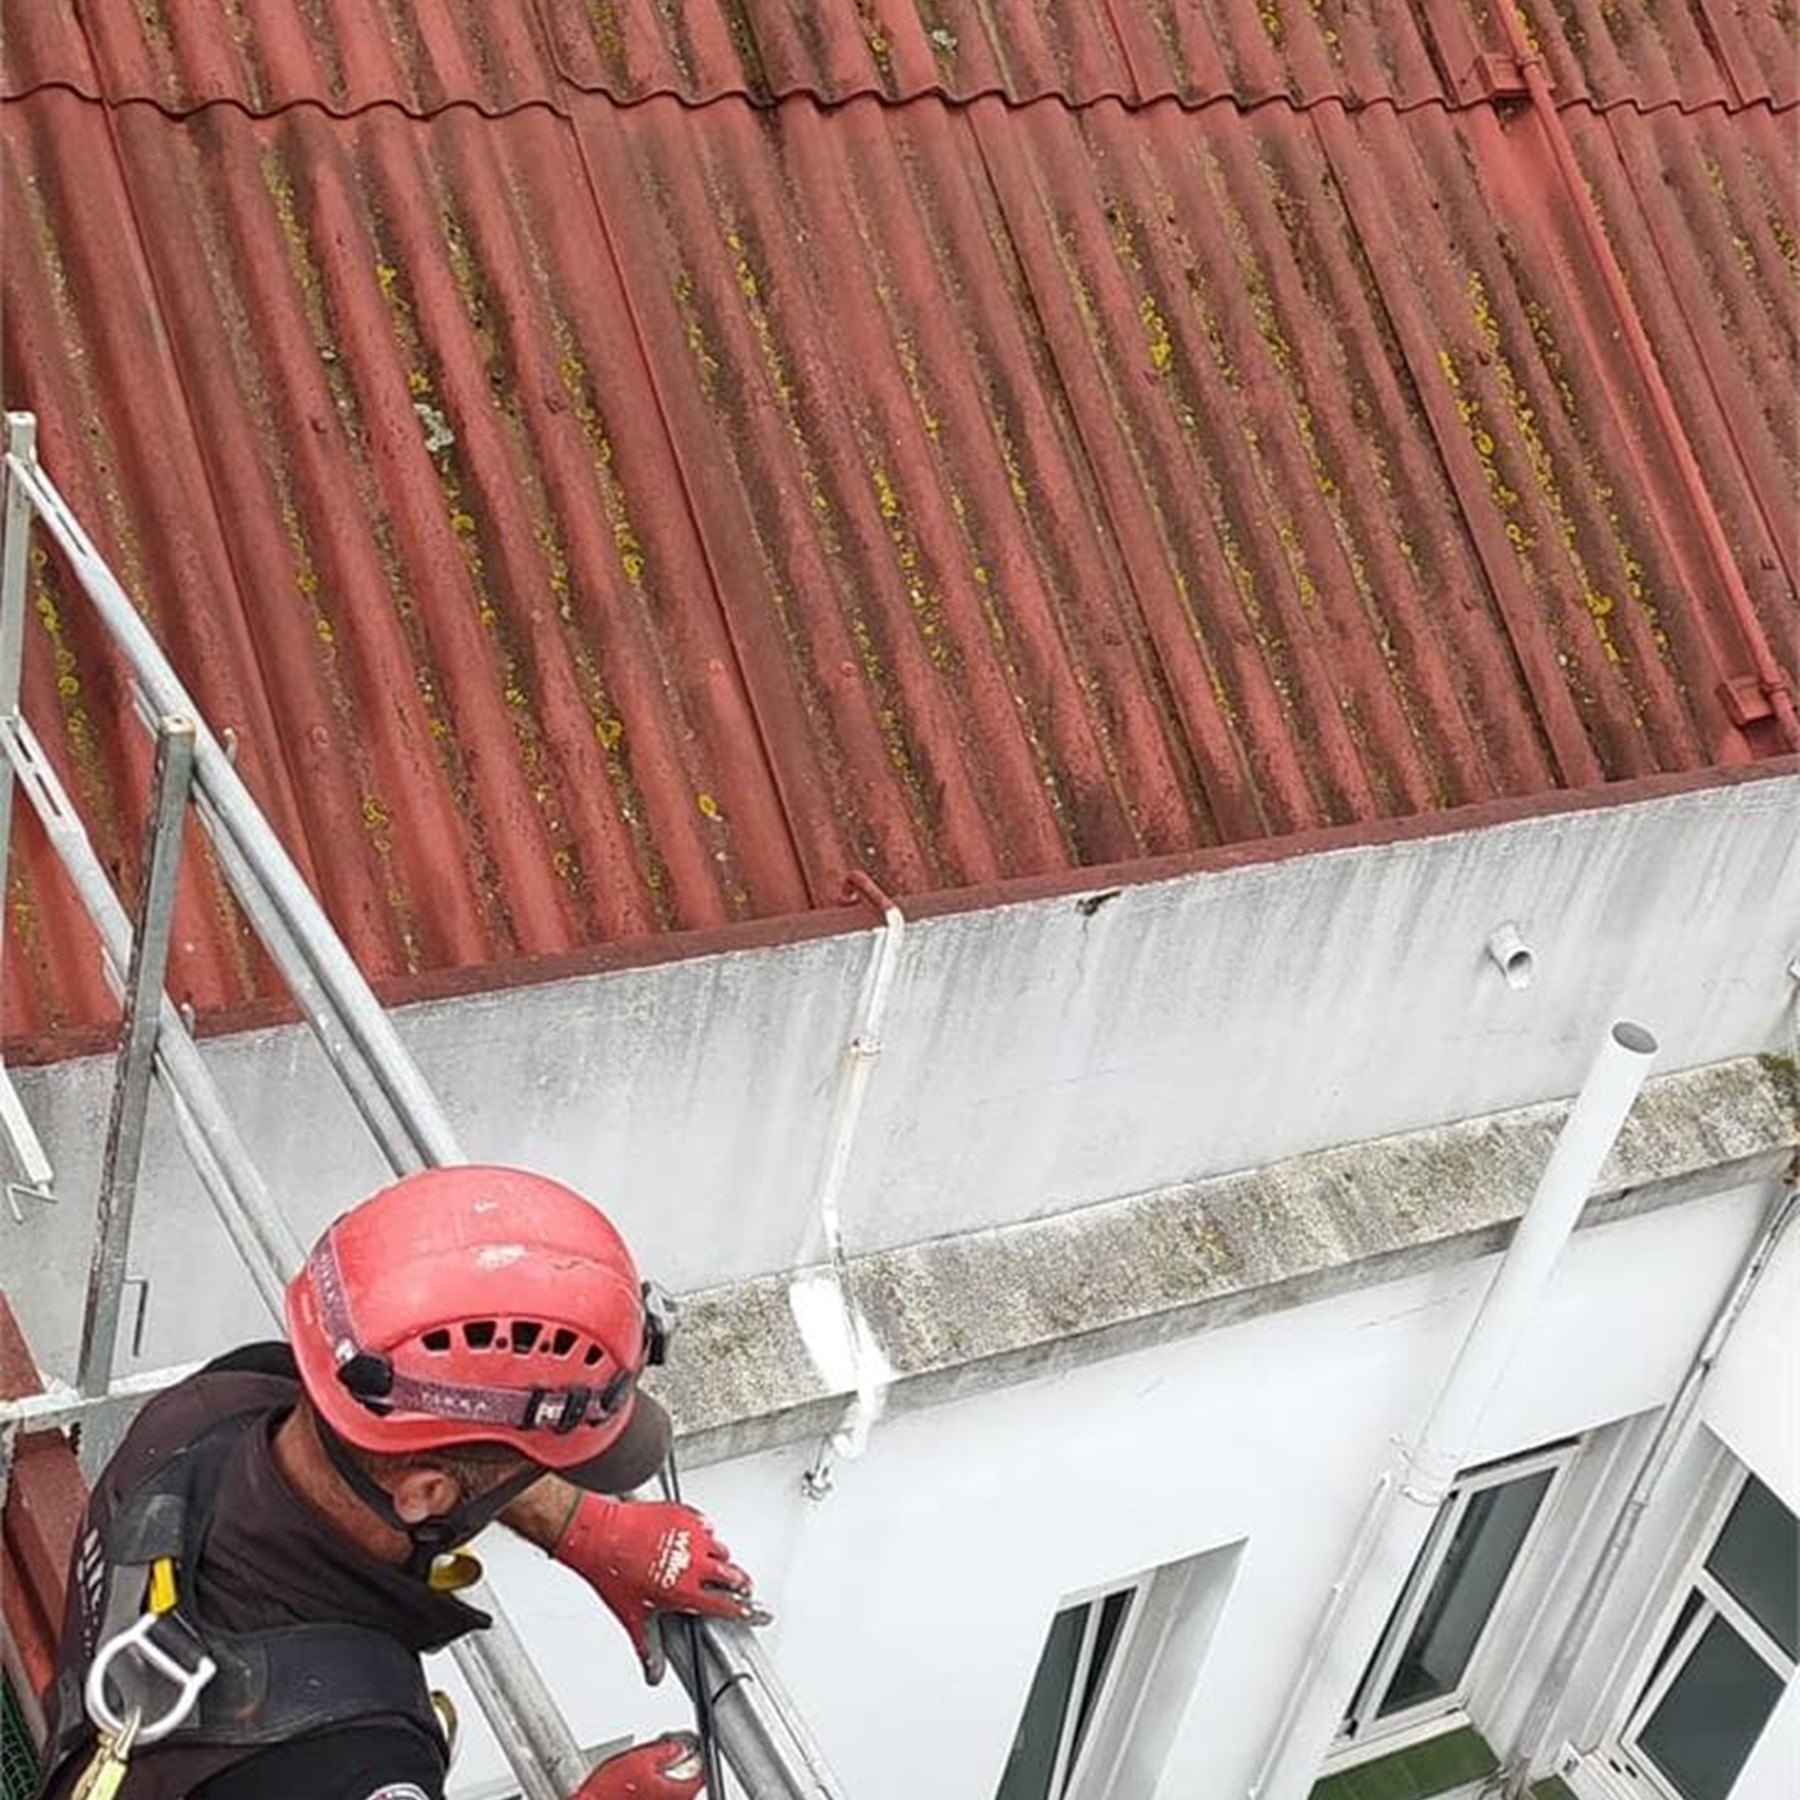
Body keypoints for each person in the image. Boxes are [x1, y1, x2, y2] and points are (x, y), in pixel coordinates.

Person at [35, 1165, 767, 1800]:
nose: (546, 1483)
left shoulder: (223, 1399)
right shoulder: (352, 1763)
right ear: (423, 1497)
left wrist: (585, 1529)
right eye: (532, 1468)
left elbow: (412, 1449)